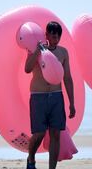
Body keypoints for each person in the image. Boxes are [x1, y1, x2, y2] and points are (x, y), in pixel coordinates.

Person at [24, 21, 76, 169]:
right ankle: (31, 158)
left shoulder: (63, 52)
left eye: (57, 35)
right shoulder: (35, 49)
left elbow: (67, 78)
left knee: (55, 134)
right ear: (46, 34)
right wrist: (37, 52)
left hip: (56, 96)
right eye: (52, 35)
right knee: (39, 133)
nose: (55, 38)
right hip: (38, 96)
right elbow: (27, 69)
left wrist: (72, 103)